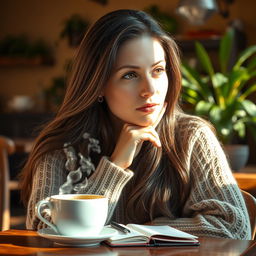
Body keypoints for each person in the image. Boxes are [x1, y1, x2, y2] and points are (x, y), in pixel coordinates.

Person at [20, 9, 251, 239]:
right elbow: (42, 232)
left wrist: (142, 230)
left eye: (158, 70)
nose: (150, 89)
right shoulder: (62, 146)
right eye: (130, 75)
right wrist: (116, 166)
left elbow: (234, 227)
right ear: (98, 84)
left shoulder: (191, 137)